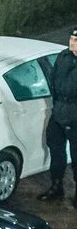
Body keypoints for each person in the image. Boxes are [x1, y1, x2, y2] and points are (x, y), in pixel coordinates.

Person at [42, 28, 77, 204]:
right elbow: (53, 81)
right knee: (56, 150)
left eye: (76, 40)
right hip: (59, 111)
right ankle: (57, 186)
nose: (72, 43)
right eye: (71, 39)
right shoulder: (63, 56)